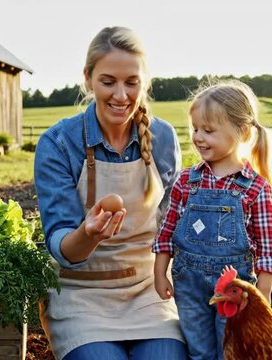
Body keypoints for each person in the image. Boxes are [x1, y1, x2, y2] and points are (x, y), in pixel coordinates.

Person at [34, 26, 186, 360]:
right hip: (81, 295)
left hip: (150, 290)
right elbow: (61, 244)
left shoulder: (162, 137)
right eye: (108, 81)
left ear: (144, 81)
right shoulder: (59, 144)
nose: (121, 95)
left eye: (132, 82)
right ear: (88, 79)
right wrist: (88, 234)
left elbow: (174, 222)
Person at [153, 80, 272, 360]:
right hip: (188, 286)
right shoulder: (186, 181)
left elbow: (267, 250)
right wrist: (160, 271)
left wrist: (262, 297)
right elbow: (167, 230)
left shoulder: (255, 188)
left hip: (234, 289)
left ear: (243, 132)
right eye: (195, 129)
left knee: (232, 352)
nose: (198, 137)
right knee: (199, 351)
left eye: (209, 131)